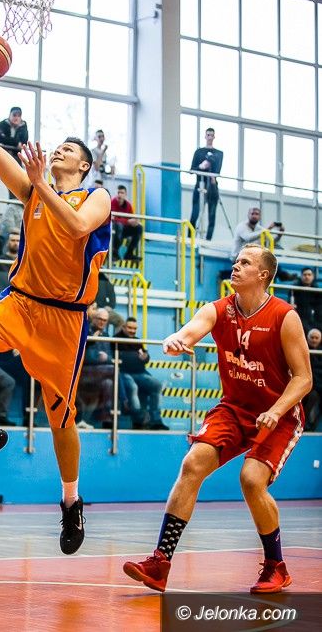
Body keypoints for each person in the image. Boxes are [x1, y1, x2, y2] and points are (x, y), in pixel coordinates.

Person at [0, 54, 111, 556]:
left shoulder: (97, 196)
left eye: (69, 149)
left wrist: (41, 182)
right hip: (20, 303)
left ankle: (71, 501)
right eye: (57, 145)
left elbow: (78, 228)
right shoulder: (32, 192)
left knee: (60, 419)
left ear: (82, 166)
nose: (59, 149)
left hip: (65, 320)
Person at [124, 244, 311, 594]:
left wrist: (275, 411)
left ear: (263, 275)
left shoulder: (285, 316)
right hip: (234, 408)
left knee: (251, 480)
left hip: (279, 413)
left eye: (244, 262)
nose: (235, 266)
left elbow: (304, 378)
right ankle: (160, 563)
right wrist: (176, 339)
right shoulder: (218, 309)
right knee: (192, 464)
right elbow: (192, 329)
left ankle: (276, 566)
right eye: (235, 261)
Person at [115, 316, 164, 430]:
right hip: (124, 373)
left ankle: (156, 421)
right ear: (123, 327)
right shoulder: (116, 340)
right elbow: (121, 360)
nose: (132, 331)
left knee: (157, 385)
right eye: (129, 328)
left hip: (140, 373)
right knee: (133, 387)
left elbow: (146, 356)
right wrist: (135, 357)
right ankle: (139, 420)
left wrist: (145, 357)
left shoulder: (137, 340)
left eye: (134, 328)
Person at [189, 127, 223, 241]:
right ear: (205, 136)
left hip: (212, 185)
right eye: (208, 135)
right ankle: (190, 238)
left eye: (211, 135)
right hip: (200, 184)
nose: (210, 137)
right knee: (195, 213)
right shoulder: (199, 152)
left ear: (214, 137)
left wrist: (212, 175)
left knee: (212, 215)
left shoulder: (219, 154)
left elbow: (218, 170)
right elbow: (192, 169)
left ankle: (208, 240)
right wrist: (201, 166)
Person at [0, 107, 28, 189]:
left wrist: (6, 140)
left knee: (16, 186)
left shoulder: (23, 127)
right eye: (14, 115)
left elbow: (24, 142)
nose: (16, 118)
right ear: (10, 115)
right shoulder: (2, 124)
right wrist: (16, 143)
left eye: (19, 116)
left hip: (15, 160)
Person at [111, 185, 142, 261]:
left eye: (122, 193)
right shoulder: (112, 203)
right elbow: (113, 219)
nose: (120, 195)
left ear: (125, 194)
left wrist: (134, 222)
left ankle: (129, 253)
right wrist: (127, 221)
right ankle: (114, 252)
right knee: (119, 226)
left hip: (124, 229)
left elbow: (130, 218)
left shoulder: (128, 205)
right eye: (118, 192)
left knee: (139, 228)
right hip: (114, 229)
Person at [290, 268, 321, 334]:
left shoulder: (318, 291)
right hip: (300, 317)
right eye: (305, 275)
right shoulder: (295, 289)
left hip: (314, 319)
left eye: (309, 275)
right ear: (301, 276)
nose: (307, 277)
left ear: (313, 277)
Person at [303, 328, 322, 432]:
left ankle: (314, 426)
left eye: (316, 338)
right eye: (312, 337)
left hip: (319, 385)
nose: (314, 340)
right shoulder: (303, 350)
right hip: (309, 386)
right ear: (308, 338)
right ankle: (305, 424)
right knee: (312, 396)